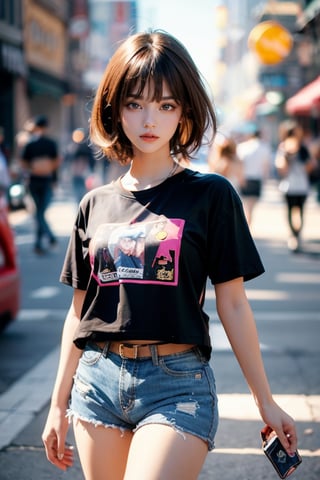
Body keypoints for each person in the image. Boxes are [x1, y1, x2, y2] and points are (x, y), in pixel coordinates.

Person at [42, 31, 298, 479]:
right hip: (97, 382)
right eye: (135, 103)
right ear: (115, 108)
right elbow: (79, 311)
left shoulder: (211, 195)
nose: (149, 120)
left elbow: (233, 303)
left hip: (176, 385)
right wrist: (57, 404)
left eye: (165, 105)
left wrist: (266, 401)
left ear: (183, 112)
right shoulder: (94, 204)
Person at [20, 115, 60, 254]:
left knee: (39, 212)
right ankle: (50, 237)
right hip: (45, 180)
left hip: (33, 180)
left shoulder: (30, 143)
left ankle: (39, 243)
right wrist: (55, 180)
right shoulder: (50, 143)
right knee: (40, 212)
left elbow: (23, 163)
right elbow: (55, 165)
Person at [275, 120, 316, 252]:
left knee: (299, 211)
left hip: (300, 186)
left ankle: (296, 236)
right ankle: (294, 236)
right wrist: (288, 156)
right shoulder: (283, 148)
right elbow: (282, 168)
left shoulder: (303, 148)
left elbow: (310, 167)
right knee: (291, 211)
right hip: (290, 186)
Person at [237, 126, 272, 226]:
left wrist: (240, 178)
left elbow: (240, 164)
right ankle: (247, 227)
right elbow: (266, 166)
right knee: (251, 208)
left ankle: (245, 227)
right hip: (257, 179)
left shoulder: (242, 147)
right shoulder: (264, 148)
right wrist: (265, 180)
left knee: (245, 206)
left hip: (244, 178)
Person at [66, 128, 96, 203]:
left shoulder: (86, 147)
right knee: (76, 192)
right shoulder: (72, 147)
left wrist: (91, 171)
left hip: (84, 173)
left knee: (84, 192)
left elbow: (92, 159)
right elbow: (68, 159)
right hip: (75, 173)